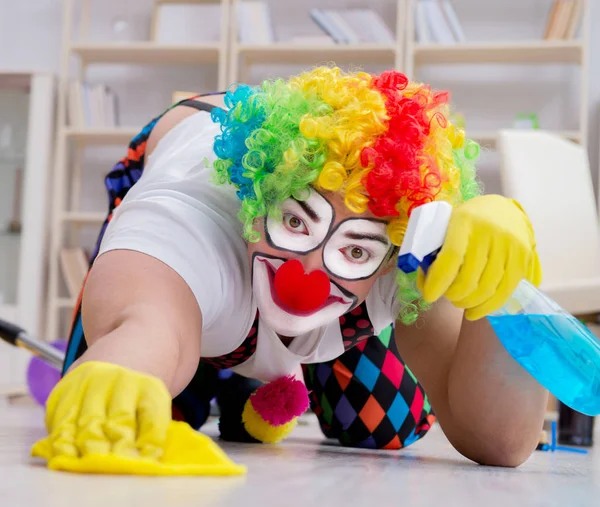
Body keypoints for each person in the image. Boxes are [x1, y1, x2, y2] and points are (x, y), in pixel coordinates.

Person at [44, 66, 547, 467]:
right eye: (294, 222)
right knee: (149, 410)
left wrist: (502, 289)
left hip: (340, 272)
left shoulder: (411, 252)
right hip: (190, 149)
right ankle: (228, 372)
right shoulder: (192, 214)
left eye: (357, 251)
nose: (304, 277)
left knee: (387, 426)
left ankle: (263, 378)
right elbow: (149, 322)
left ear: (394, 254)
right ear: (257, 198)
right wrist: (123, 368)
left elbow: (500, 443)